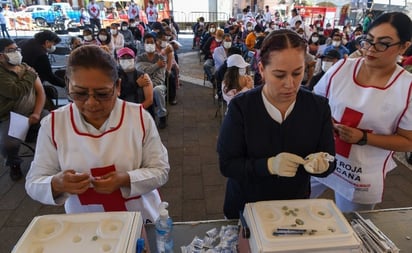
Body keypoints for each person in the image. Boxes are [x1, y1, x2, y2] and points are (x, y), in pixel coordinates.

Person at [25, 45, 170, 223]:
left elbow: (161, 170)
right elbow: (33, 182)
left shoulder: (138, 117)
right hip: (85, 224)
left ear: (117, 87)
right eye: (79, 93)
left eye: (102, 94)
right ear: (68, 85)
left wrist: (126, 179)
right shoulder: (54, 124)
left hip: (141, 216)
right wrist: (56, 184)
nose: (91, 103)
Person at [217, 30, 336, 219]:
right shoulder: (241, 107)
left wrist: (323, 165)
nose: (290, 84)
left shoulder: (318, 107)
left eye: (298, 73)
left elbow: (329, 157)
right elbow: (228, 165)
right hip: (246, 207)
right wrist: (269, 165)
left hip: (294, 207)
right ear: (262, 69)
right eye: (279, 75)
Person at [311, 12, 412, 212]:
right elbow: (315, 104)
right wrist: (325, 121)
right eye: (368, 41)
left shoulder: (406, 88)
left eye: (383, 43)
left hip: (359, 175)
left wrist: (364, 138)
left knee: (354, 230)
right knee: (290, 205)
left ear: (404, 46)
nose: (371, 49)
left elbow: (408, 141)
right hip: (320, 159)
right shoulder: (341, 69)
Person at [0, 39, 48, 181]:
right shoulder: (23, 72)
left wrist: (37, 113)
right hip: (11, 116)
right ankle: (14, 164)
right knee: (9, 144)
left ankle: (50, 160)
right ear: (1, 55)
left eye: (17, 49)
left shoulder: (24, 67)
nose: (17, 53)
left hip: (33, 111)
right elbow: (15, 91)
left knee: (54, 127)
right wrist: (31, 75)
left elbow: (41, 92)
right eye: (11, 50)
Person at [136, 33, 168, 129]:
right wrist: (156, 65)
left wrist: (150, 84)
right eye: (147, 42)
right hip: (144, 85)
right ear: (144, 44)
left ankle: (162, 116)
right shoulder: (140, 58)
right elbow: (141, 72)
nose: (150, 44)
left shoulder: (161, 58)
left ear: (155, 44)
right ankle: (143, 117)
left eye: (152, 42)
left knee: (157, 90)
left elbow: (160, 77)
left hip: (157, 85)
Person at [117, 47, 154, 117]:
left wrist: (136, 112)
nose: (126, 60)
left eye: (129, 57)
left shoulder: (142, 76)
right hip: (120, 113)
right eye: (123, 58)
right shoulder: (115, 76)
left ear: (134, 59)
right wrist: (137, 84)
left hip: (140, 112)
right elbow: (117, 95)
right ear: (118, 60)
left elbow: (149, 100)